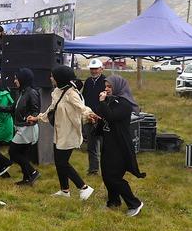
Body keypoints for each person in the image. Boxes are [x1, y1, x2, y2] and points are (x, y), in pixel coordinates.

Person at [28, 66, 97, 200]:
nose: (50, 78)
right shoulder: (57, 91)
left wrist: (90, 115)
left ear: (59, 78)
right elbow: (51, 109)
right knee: (59, 162)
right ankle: (65, 190)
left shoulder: (72, 93)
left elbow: (82, 108)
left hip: (69, 133)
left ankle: (84, 187)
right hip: (59, 132)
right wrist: (38, 118)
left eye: (52, 76)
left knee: (62, 163)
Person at [95, 75, 146, 216]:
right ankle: (113, 202)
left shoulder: (124, 104)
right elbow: (104, 116)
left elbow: (111, 117)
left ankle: (134, 203)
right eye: (106, 86)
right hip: (108, 143)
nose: (106, 89)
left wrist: (102, 103)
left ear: (117, 87)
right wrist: (96, 118)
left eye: (109, 86)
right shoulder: (111, 101)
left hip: (119, 145)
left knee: (114, 177)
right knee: (106, 175)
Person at [0, 68, 41, 186]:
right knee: (22, 154)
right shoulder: (21, 92)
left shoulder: (31, 92)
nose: (15, 81)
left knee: (13, 152)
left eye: (17, 78)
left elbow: (36, 110)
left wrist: (31, 118)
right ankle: (27, 178)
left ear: (23, 79)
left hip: (27, 127)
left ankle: (32, 172)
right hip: (21, 127)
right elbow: (13, 108)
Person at [81, 58, 107, 175]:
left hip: (101, 118)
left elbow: (106, 101)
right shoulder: (88, 81)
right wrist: (87, 113)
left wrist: (98, 115)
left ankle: (107, 169)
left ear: (101, 69)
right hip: (89, 116)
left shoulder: (105, 82)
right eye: (92, 69)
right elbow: (84, 98)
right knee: (91, 146)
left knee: (104, 146)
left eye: (96, 69)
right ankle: (93, 169)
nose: (94, 71)